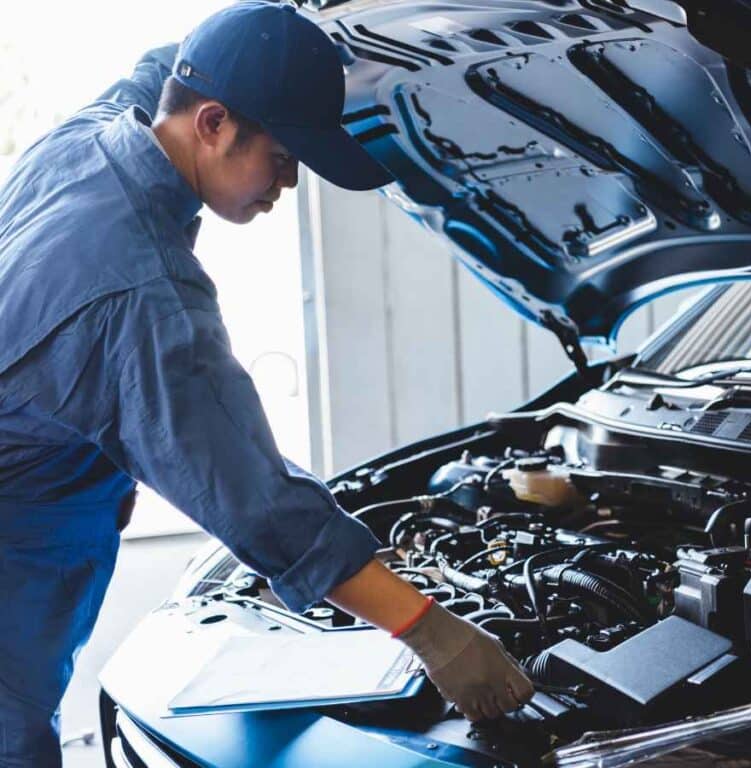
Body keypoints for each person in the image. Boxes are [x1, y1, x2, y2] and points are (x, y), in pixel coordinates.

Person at [0, 3, 533, 765]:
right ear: (213, 123)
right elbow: (254, 495)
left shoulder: (94, 137)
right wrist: (432, 632)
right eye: (283, 155)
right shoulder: (142, 295)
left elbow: (169, 65)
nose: (287, 181)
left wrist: (286, 29)